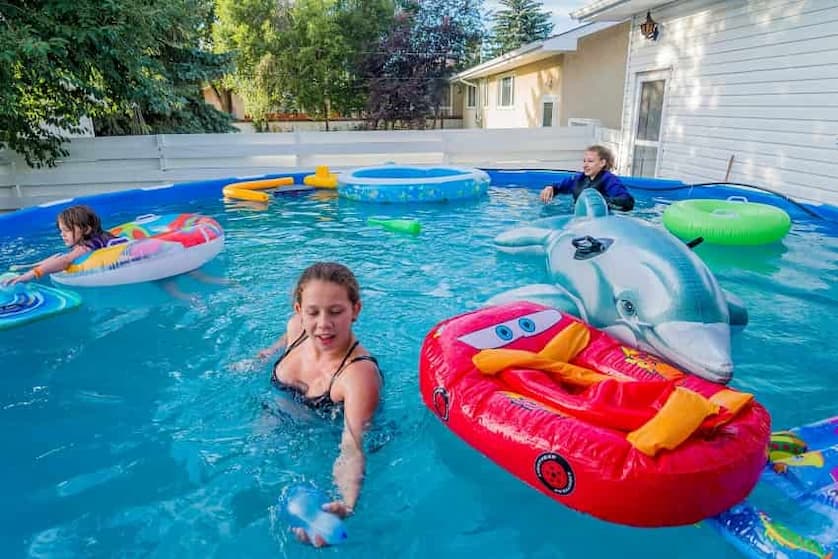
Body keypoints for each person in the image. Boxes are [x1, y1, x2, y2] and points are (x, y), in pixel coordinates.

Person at [258, 262, 381, 547]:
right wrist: (257, 359)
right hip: (276, 421)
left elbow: (352, 447)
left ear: (355, 311)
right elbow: (277, 345)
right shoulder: (297, 329)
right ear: (299, 311)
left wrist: (346, 503)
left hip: (320, 439)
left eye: (336, 312)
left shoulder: (357, 375)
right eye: (313, 312)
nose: (323, 324)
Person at [3, 205, 115, 286]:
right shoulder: (99, 236)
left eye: (66, 230)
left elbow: (65, 261)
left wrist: (31, 275)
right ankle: (31, 265)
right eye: (61, 230)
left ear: (86, 230)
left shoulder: (85, 247)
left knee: (62, 258)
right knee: (59, 256)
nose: (62, 235)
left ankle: (31, 268)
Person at [540, 145, 635, 211]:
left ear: (602, 163)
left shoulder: (609, 180)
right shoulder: (579, 179)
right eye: (584, 161)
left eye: (590, 161)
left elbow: (628, 202)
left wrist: (602, 200)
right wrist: (550, 188)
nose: (585, 165)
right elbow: (559, 187)